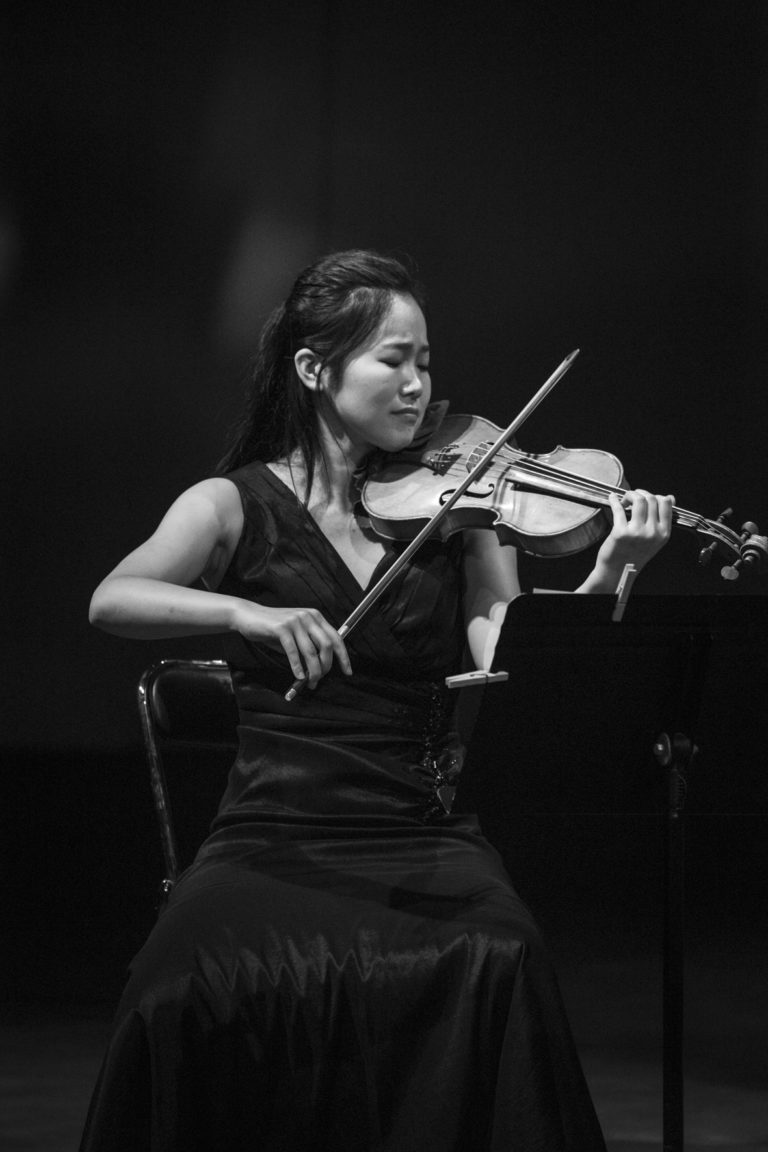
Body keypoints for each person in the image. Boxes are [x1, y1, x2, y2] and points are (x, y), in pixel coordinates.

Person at [81, 249, 673, 1151]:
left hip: (415, 824)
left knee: (502, 956)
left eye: (425, 361)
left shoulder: (464, 513)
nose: (417, 385)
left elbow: (511, 655)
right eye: (393, 360)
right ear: (314, 370)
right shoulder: (230, 504)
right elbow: (113, 598)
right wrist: (247, 611)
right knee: (176, 987)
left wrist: (609, 571)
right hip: (271, 829)